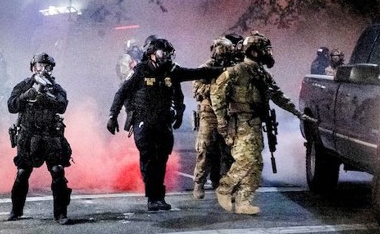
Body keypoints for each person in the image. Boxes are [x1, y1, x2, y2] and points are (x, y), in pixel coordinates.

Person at [107, 37, 221, 211]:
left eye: (169, 53)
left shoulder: (172, 71)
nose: (166, 56)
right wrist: (112, 116)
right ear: (152, 54)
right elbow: (121, 93)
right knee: (149, 157)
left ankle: (159, 197)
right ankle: (153, 197)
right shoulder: (140, 71)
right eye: (162, 52)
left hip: (163, 122)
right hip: (143, 121)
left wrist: (226, 70)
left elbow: (197, 73)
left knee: (161, 160)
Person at [211, 32, 314, 215]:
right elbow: (217, 93)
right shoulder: (235, 71)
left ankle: (244, 201)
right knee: (245, 160)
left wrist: (298, 113)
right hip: (240, 123)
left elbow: (278, 96)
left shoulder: (261, 74)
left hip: (256, 123)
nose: (268, 53)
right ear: (255, 52)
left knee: (256, 163)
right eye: (264, 49)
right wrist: (221, 120)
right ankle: (225, 188)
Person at [7, 53, 73, 224]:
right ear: (33, 68)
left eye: (47, 67)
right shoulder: (24, 86)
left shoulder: (56, 88)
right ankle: (16, 210)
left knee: (58, 171)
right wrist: (26, 96)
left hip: (50, 135)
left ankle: (60, 214)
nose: (43, 70)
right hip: (28, 136)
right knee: (22, 173)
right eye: (40, 66)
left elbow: (62, 106)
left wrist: (46, 97)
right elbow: (11, 106)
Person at [191, 36, 240, 200]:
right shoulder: (206, 68)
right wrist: (215, 89)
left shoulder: (234, 67)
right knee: (205, 148)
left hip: (229, 112)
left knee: (229, 151)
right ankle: (199, 182)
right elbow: (197, 88)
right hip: (209, 112)